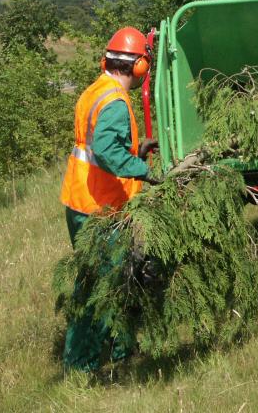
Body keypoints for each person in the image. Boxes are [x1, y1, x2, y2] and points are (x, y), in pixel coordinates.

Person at [59, 26, 159, 372]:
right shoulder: (116, 101)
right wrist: (142, 170)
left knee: (99, 280)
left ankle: (117, 351)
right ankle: (84, 364)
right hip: (99, 209)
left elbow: (96, 142)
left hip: (79, 201)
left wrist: (136, 148)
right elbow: (103, 149)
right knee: (106, 285)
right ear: (139, 67)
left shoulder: (95, 91)